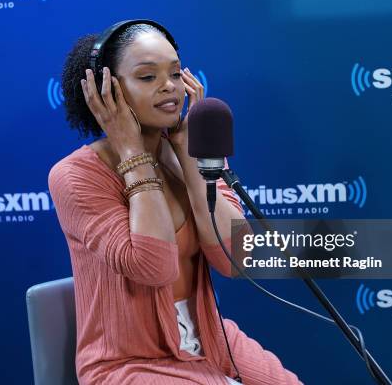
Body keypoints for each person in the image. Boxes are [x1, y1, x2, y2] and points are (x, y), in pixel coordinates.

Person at [48, 21, 303, 385]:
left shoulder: (196, 153)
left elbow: (237, 260)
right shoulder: (75, 176)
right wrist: (132, 151)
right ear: (106, 92)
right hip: (127, 365)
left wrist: (190, 155)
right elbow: (154, 268)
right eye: (148, 76)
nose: (169, 86)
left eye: (174, 71)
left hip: (211, 342)